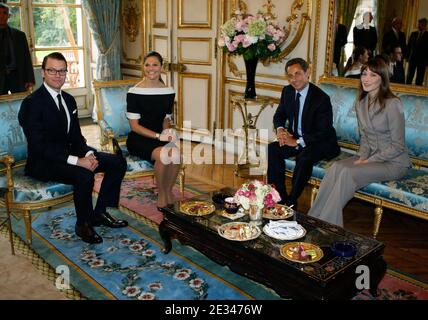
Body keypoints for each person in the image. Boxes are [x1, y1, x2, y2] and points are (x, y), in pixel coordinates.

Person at [18, 52, 128, 244]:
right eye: (52, 70)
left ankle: (99, 212)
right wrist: (78, 161)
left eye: (62, 71)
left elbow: (76, 136)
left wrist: (87, 153)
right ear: (43, 72)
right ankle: (83, 224)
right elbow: (39, 146)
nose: (57, 75)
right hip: (44, 162)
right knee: (83, 174)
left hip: (70, 155)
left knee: (117, 161)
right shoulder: (32, 103)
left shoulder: (69, 100)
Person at [308, 58, 410, 227]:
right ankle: (312, 219)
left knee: (348, 173)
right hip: (371, 157)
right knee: (336, 168)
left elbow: (398, 146)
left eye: (372, 75)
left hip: (394, 162)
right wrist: (362, 156)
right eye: (364, 73)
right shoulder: (361, 103)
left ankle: (328, 227)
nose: (366, 78)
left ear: (382, 78)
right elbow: (365, 137)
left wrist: (368, 161)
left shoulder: (393, 104)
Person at [267, 58, 340, 209]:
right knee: (272, 149)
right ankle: (279, 196)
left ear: (308, 73)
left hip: (320, 141)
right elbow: (279, 115)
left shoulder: (321, 98)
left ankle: (292, 200)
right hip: (296, 137)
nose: (294, 79)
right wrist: (280, 130)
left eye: (298, 74)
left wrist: (298, 142)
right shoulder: (287, 91)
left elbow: (323, 131)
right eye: (290, 76)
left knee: (304, 156)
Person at [126, 51, 180, 210]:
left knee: (176, 155)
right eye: (147, 65)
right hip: (138, 138)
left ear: (161, 67)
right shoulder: (134, 92)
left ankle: (169, 191)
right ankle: (162, 195)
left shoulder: (168, 91)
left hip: (160, 136)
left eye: (155, 64)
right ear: (143, 67)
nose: (151, 68)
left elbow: (165, 119)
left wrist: (168, 135)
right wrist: (158, 136)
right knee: (164, 156)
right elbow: (134, 126)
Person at [0, 2, 34, 95]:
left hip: (17, 76)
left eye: (4, 13)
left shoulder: (19, 35)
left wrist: (30, 79)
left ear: (9, 16)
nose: (1, 16)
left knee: (22, 103)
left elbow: (26, 58)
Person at [406, 18, 428, 86]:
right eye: (418, 23)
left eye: (421, 24)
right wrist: (407, 57)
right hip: (412, 59)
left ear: (425, 25)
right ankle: (406, 90)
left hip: (422, 61)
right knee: (409, 76)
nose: (419, 25)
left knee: (419, 78)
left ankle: (417, 93)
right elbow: (409, 46)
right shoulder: (413, 34)